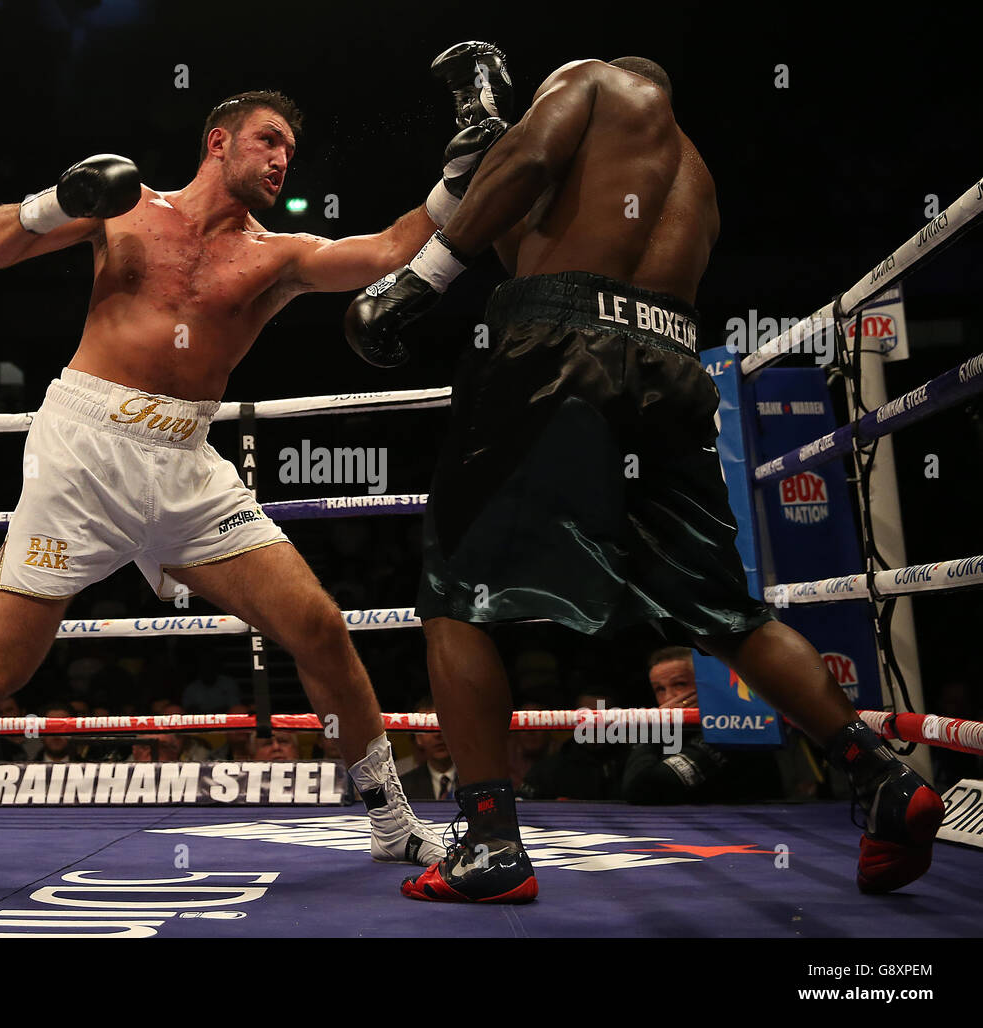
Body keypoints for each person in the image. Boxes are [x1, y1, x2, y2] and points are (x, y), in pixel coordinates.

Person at [0, 65, 508, 872]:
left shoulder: (278, 254)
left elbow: (390, 249)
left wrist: (454, 185)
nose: (282, 160)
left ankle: (393, 822)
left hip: (185, 465)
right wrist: (58, 200)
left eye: (291, 150)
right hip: (80, 453)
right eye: (269, 141)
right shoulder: (122, 208)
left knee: (320, 629)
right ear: (217, 142)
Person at [346, 55, 944, 902]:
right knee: (728, 614)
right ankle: (883, 776)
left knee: (455, 596)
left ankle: (488, 844)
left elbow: (533, 169)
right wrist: (485, 156)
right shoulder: (694, 177)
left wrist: (421, 278)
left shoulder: (600, 82)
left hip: (554, 354)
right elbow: (541, 237)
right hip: (668, 360)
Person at [621, 647, 781, 804]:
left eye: (680, 684)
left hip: (750, 825)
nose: (669, 697)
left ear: (706, 684)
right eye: (660, 689)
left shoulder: (731, 726)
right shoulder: (670, 731)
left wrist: (654, 725)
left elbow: (644, 791)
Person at [399, 698, 457, 800]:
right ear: (418, 738)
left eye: (442, 725)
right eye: (428, 728)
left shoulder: (476, 780)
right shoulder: (401, 789)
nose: (437, 734)